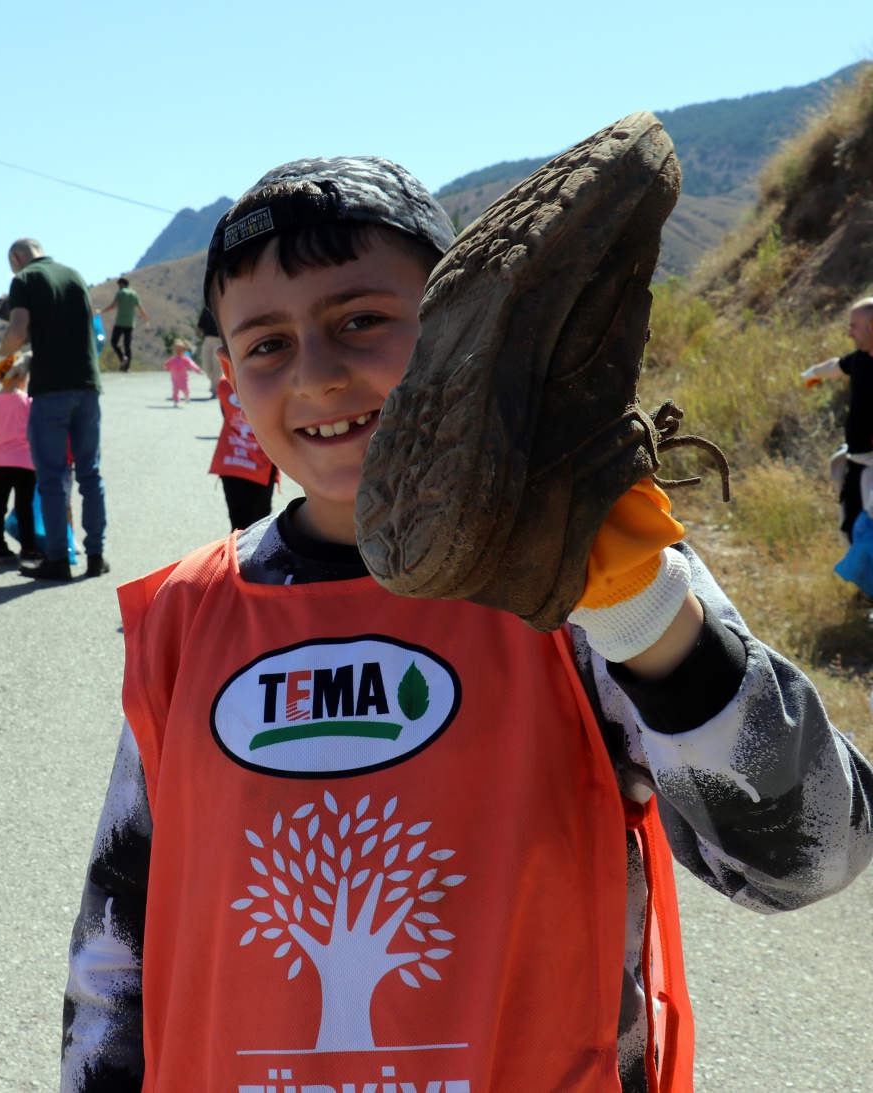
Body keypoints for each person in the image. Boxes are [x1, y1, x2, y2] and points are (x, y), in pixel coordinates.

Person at [59, 157, 873, 1093]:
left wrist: (641, 613)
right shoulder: (186, 617)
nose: (317, 376)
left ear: (462, 329)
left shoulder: (587, 576)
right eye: (267, 344)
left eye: (361, 320)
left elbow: (810, 857)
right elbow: (114, 957)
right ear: (228, 376)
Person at [0, 238, 107, 581]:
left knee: (52, 477)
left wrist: (1, 356)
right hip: (87, 387)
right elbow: (81, 332)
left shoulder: (25, 279)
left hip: (51, 392)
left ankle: (58, 558)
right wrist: (33, 356)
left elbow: (17, 331)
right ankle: (96, 556)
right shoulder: (74, 275)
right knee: (90, 473)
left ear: (16, 258)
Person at [801, 296, 873, 536]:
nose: (849, 333)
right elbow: (836, 366)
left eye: (854, 326)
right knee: (852, 529)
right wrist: (814, 373)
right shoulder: (860, 359)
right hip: (858, 461)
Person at [0, 354, 37, 565]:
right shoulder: (27, 402)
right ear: (20, 374)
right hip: (25, 463)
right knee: (24, 507)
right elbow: (35, 433)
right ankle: (29, 549)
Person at [209, 371, 277, 529]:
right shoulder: (270, 379)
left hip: (231, 459)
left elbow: (226, 414)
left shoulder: (224, 384)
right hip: (262, 461)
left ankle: (238, 553)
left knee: (237, 521)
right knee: (260, 522)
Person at [97, 275, 149, 372]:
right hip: (130, 324)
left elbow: (113, 306)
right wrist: (146, 321)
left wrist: (102, 311)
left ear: (121, 284)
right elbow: (141, 309)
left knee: (114, 342)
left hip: (120, 322)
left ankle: (122, 358)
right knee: (127, 345)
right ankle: (127, 367)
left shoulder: (120, 293)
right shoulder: (134, 294)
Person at [162, 337, 202, 406]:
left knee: (186, 389)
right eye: (177, 350)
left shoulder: (186, 359)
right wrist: (166, 365)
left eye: (180, 350)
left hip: (184, 379)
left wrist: (198, 370)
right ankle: (175, 401)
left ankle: (186, 396)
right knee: (175, 391)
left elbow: (192, 365)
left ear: (184, 351)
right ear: (174, 350)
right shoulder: (172, 360)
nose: (178, 352)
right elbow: (167, 365)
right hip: (175, 380)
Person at [196, 303, 222, 398]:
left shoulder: (225, 306)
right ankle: (216, 384)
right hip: (207, 339)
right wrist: (194, 339)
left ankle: (215, 389)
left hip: (220, 340)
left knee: (217, 366)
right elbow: (201, 324)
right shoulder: (206, 309)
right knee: (207, 366)